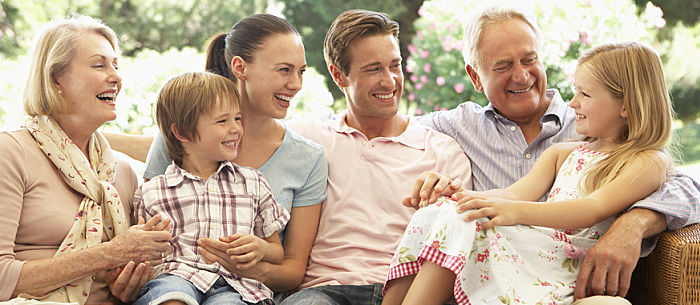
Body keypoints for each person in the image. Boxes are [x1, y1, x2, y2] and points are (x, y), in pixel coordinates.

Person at [404, 4, 700, 303]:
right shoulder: (564, 153)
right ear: (476, 76)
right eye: (503, 66)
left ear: (625, 106)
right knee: (450, 214)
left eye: (584, 94)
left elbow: (593, 207)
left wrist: (635, 224)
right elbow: (515, 194)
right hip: (528, 252)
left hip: (563, 265)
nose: (573, 103)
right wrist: (465, 198)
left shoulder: (646, 161)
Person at [267, 9, 472, 305]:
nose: (389, 81)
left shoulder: (442, 151)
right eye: (373, 69)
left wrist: (447, 196)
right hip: (326, 292)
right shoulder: (306, 139)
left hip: (409, 292)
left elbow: (458, 242)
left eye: (395, 65)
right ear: (339, 75)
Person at [141, 14, 328, 293]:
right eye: (284, 70)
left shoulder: (307, 159)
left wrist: (250, 267)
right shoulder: (185, 137)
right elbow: (146, 235)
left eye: (301, 71)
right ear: (240, 67)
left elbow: (292, 271)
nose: (296, 84)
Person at [0, 14, 171, 304]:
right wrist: (110, 253)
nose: (116, 77)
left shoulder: (123, 170)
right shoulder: (10, 152)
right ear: (56, 79)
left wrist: (128, 284)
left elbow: (124, 277)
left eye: (116, 65)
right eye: (99, 64)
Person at [132, 72, 289, 305]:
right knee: (170, 297)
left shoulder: (252, 182)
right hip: (177, 276)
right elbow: (142, 257)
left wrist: (260, 249)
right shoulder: (152, 192)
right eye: (222, 121)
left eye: (237, 119)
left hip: (235, 285)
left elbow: (277, 252)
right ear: (182, 132)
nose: (236, 128)